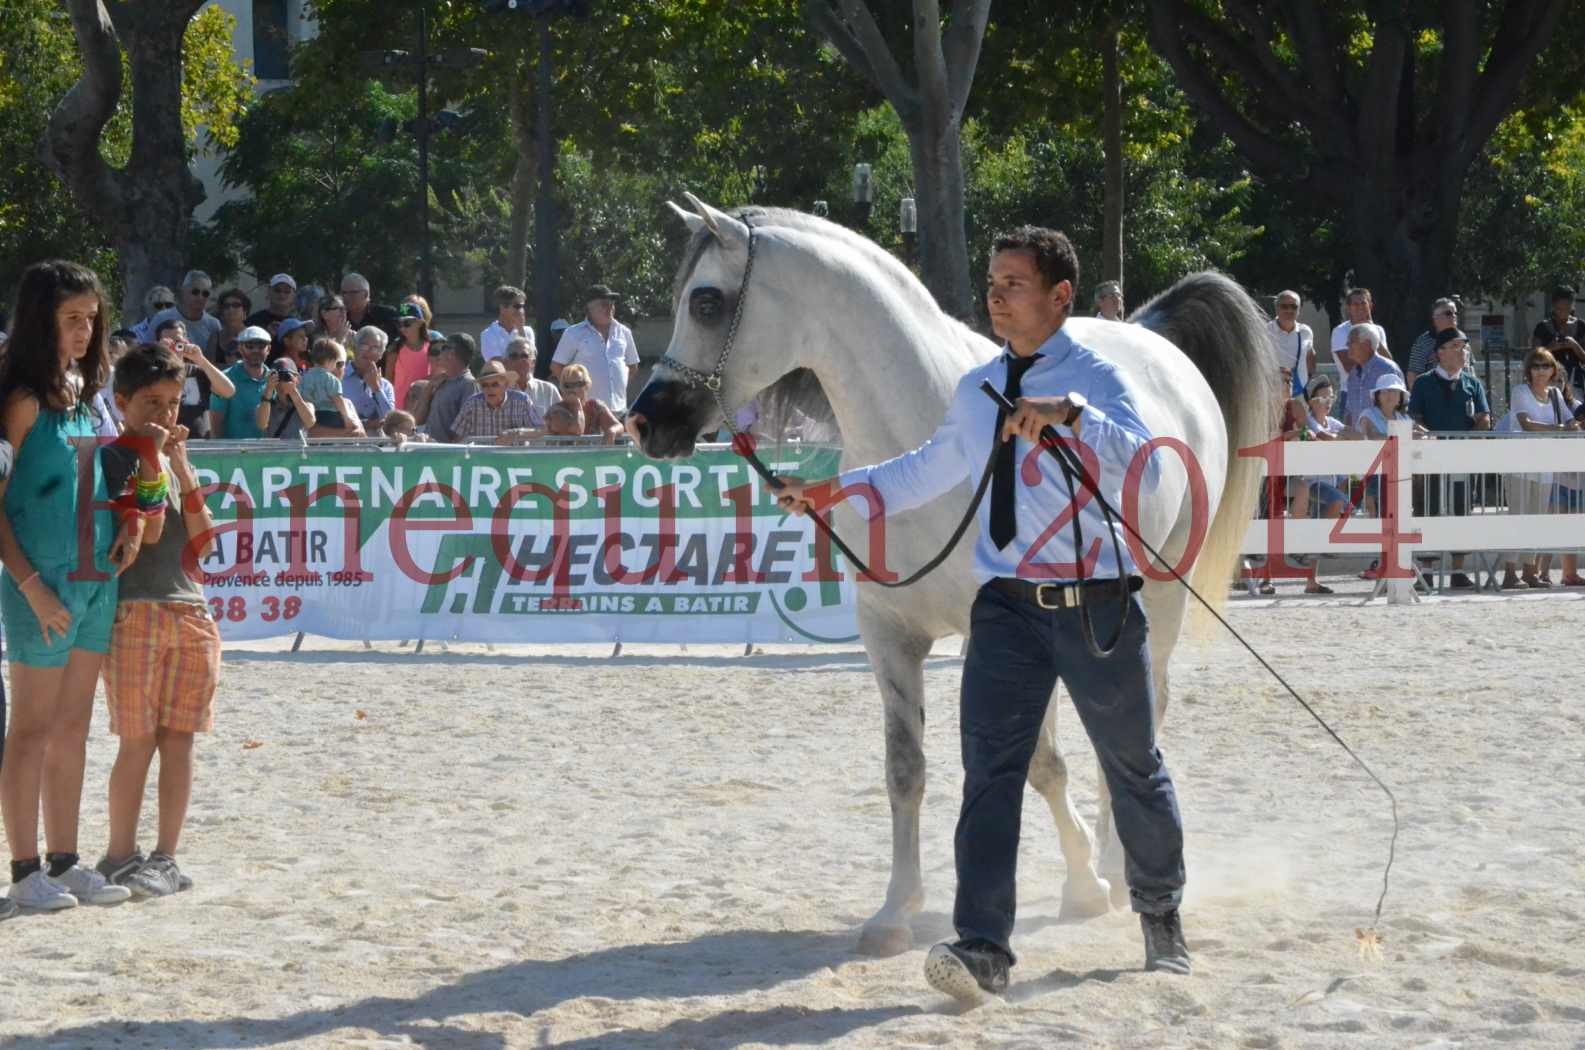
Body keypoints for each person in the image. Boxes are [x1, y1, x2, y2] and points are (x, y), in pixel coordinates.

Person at [775, 226, 1189, 996]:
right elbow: (925, 469)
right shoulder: (976, 389)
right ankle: (981, 946)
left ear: (1060, 297)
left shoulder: (1095, 379)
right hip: (1002, 605)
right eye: (991, 282)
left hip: (1094, 603)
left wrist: (1072, 418)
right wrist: (834, 494)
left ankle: (1160, 916)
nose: (995, 296)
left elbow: (1139, 461)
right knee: (989, 775)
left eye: (1013, 284)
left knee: (1132, 766)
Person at [0, 260, 151, 912]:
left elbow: (122, 471)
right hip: (42, 583)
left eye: (92, 318)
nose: (86, 330)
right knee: (30, 729)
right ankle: (24, 867)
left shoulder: (90, 396)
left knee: (73, 725)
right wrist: (31, 586)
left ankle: (65, 861)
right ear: (41, 320)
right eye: (71, 319)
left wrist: (133, 523)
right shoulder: (19, 399)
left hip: (95, 581)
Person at [94, 342, 220, 897]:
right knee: (137, 741)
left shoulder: (172, 457)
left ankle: (165, 855)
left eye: (173, 403)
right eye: (152, 402)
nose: (165, 415)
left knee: (179, 740)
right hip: (135, 609)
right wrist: (153, 459)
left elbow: (206, 544)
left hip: (190, 607)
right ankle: (120, 853)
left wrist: (182, 465)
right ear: (122, 402)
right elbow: (138, 537)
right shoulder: (111, 457)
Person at [1408, 328, 1491, 589]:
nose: (1463, 352)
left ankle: (1458, 570)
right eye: (1456, 346)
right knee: (1428, 510)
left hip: (1462, 460)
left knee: (1461, 510)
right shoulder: (1423, 382)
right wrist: (1427, 437)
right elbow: (1414, 419)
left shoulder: (1472, 383)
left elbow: (1485, 418)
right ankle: (1428, 571)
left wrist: (1471, 437)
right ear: (1440, 352)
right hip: (1430, 460)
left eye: (1464, 347)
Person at [1499, 348, 1583, 589]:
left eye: (1545, 366)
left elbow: (1570, 421)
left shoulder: (1556, 394)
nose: (1540, 371)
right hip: (1520, 464)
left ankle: (1529, 571)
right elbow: (1526, 424)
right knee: (1518, 516)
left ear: (1553, 370)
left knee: (1536, 519)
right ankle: (1509, 572)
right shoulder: (1520, 391)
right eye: (1535, 366)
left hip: (1546, 465)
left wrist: (1572, 425)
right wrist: (1561, 429)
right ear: (1529, 370)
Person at [551, 284, 640, 414]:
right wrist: (573, 392)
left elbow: (633, 366)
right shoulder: (573, 333)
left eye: (612, 304)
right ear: (589, 308)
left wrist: (616, 387)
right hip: (587, 411)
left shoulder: (624, 332)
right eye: (604, 304)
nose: (609, 308)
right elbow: (556, 367)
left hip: (619, 411)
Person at [153, 317, 236, 440]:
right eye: (168, 343)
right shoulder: (151, 373)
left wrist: (201, 360)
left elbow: (229, 391)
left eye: (178, 342)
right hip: (164, 443)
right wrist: (158, 357)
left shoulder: (197, 371)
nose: (173, 347)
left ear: (186, 341)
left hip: (200, 445)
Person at [452, 359, 542, 443]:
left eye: (495, 384)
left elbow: (540, 430)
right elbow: (458, 438)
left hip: (515, 458)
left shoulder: (522, 401)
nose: (489, 389)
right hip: (482, 458)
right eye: (485, 385)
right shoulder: (471, 405)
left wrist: (517, 433)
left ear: (506, 385)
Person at [208, 326, 273, 439]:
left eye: (261, 346)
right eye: (250, 346)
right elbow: (216, 423)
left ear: (269, 349)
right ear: (240, 348)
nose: (255, 350)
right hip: (233, 452)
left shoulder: (274, 379)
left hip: (268, 452)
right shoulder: (226, 378)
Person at [1330, 287, 1389, 409]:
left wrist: (1373, 333)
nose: (1360, 308)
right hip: (1352, 392)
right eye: (1355, 304)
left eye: (1363, 303)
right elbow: (1350, 367)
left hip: (1378, 392)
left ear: (1370, 306)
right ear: (1349, 308)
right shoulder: (1340, 332)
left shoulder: (1379, 330)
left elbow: (1388, 362)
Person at [1338, 324, 1404, 429]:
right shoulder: (1353, 374)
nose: (1347, 345)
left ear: (1366, 344)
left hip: (1383, 439)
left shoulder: (1388, 369)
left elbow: (1400, 407)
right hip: (1358, 441)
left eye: (1351, 341)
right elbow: (1349, 411)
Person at [422, 333, 480, 443]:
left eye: (443, 347)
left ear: (451, 353)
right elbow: (418, 419)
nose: (439, 353)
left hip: (448, 454)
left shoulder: (469, 384)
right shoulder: (440, 381)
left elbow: (467, 427)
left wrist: (452, 454)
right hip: (430, 451)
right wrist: (429, 388)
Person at [1532, 284, 1585, 396]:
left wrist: (1574, 345)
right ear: (1553, 306)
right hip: (1549, 381)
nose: (1562, 313)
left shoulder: (1581, 326)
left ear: (1572, 306)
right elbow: (1533, 358)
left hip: (1575, 382)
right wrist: (1550, 348)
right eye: (1559, 309)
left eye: (1567, 309)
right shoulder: (1543, 327)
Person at [343, 326, 396, 428]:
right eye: (364, 346)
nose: (369, 352)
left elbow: (391, 422)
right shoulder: (339, 378)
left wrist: (376, 389)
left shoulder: (385, 386)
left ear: (381, 355)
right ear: (354, 348)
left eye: (375, 348)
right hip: (346, 441)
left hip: (377, 442)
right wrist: (367, 424)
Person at [556, 362, 622, 444]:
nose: (573, 389)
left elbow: (618, 426)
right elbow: (577, 431)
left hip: (594, 455)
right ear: (562, 387)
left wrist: (612, 431)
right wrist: (577, 406)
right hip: (567, 455)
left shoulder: (595, 406)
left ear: (587, 385)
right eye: (568, 385)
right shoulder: (557, 410)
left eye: (579, 384)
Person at [254, 357, 317, 439]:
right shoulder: (265, 406)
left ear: (297, 379)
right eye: (279, 377)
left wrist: (293, 391)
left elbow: (310, 422)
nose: (282, 380)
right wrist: (269, 389)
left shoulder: (306, 405)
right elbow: (262, 424)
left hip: (297, 451)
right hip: (274, 450)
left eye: (287, 376)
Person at [1267, 290, 1315, 398]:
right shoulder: (1265, 331)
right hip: (1273, 394)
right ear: (1277, 308)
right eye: (1284, 306)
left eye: (1294, 306)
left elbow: (1311, 356)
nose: (1289, 310)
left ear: (1299, 309)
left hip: (1299, 394)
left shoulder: (1306, 331)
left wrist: (1307, 380)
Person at [1406, 298, 1459, 388]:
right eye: (1448, 313)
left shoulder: (1462, 339)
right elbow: (1413, 374)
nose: (1454, 316)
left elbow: (1470, 368)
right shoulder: (1423, 342)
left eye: (1455, 313)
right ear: (1435, 317)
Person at [388, 302, 431, 410]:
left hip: (425, 405)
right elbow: (388, 379)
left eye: (407, 323)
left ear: (420, 323)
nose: (402, 328)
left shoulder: (431, 347)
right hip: (399, 406)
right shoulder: (395, 348)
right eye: (399, 324)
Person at [299, 336, 348, 429]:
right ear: (330, 361)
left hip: (310, 415)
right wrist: (347, 417)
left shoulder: (304, 377)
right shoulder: (332, 379)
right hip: (330, 417)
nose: (336, 366)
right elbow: (338, 400)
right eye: (336, 362)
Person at [504, 335, 559, 415]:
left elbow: (561, 423)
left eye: (524, 356)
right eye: (514, 356)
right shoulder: (498, 390)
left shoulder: (548, 390)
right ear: (506, 362)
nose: (519, 360)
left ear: (533, 362)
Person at [340, 273, 400, 344]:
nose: (346, 297)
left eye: (353, 292)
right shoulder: (338, 318)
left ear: (366, 294)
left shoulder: (387, 315)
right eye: (344, 293)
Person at [480, 285, 535, 362]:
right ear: (503, 307)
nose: (521, 310)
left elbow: (531, 360)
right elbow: (498, 364)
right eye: (518, 306)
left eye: (523, 306)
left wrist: (520, 329)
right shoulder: (488, 334)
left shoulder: (527, 331)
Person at [245, 273, 299, 340]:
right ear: (269, 292)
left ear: (293, 296)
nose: (282, 294)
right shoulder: (253, 321)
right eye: (277, 290)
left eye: (287, 291)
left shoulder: (298, 326)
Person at [212, 289, 252, 363]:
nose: (231, 309)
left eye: (236, 305)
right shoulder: (215, 337)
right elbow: (207, 367)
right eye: (226, 306)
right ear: (222, 313)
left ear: (245, 312)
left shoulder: (253, 337)